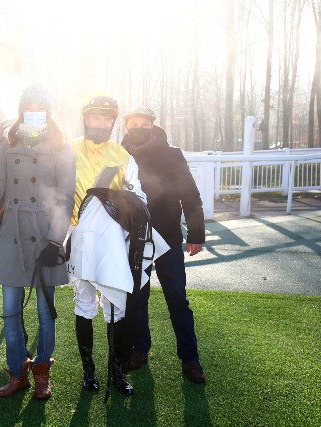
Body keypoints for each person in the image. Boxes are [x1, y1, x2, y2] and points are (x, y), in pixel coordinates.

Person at [0, 84, 76, 400]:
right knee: (10, 311)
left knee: (46, 312)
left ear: (48, 111)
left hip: (46, 235)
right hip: (13, 233)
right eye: (29, 108)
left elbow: (65, 197)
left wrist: (55, 241)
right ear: (22, 111)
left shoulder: (62, 145)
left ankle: (42, 373)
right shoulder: (8, 142)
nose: (34, 113)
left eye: (40, 108)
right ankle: (17, 374)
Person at [121, 106, 206, 384]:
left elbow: (190, 195)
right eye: (133, 123)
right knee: (137, 297)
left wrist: (196, 233)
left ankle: (190, 358)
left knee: (177, 298)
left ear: (152, 125)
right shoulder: (119, 154)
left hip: (168, 237)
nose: (138, 127)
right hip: (134, 237)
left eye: (143, 123)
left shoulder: (171, 155)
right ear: (126, 126)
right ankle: (139, 349)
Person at [70, 93, 148, 396]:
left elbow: (139, 196)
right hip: (79, 236)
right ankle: (88, 370)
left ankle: (117, 369)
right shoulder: (68, 151)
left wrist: (126, 198)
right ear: (85, 118)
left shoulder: (123, 155)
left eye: (106, 119)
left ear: (112, 122)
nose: (100, 123)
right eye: (95, 117)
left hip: (114, 239)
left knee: (115, 305)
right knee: (84, 303)